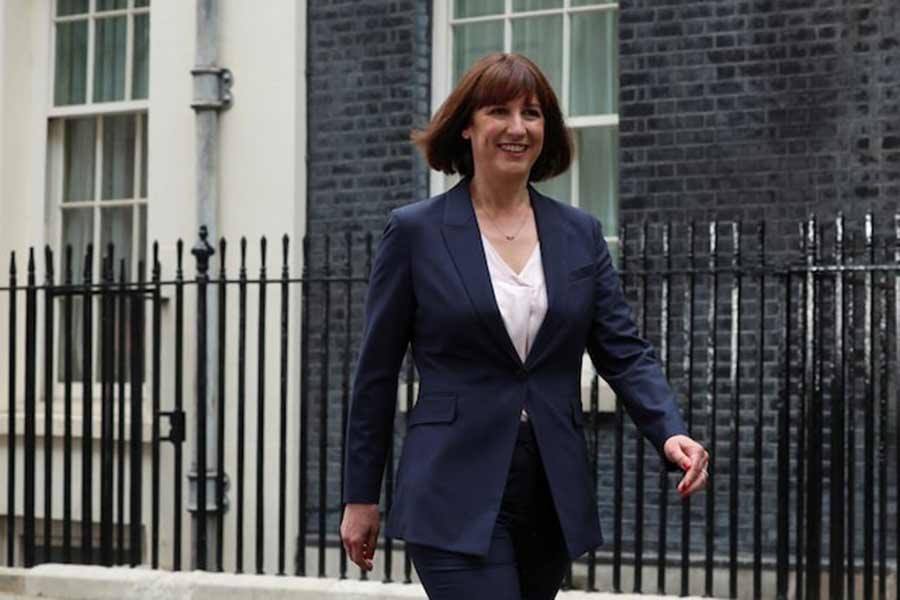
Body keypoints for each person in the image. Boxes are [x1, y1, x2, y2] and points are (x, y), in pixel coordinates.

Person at [340, 52, 708, 600]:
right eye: (499, 112)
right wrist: (360, 496)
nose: (518, 128)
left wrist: (669, 428)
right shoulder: (416, 232)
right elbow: (375, 372)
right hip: (451, 487)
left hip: (549, 488)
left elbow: (623, 350)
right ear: (467, 125)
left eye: (532, 114)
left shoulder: (578, 234)